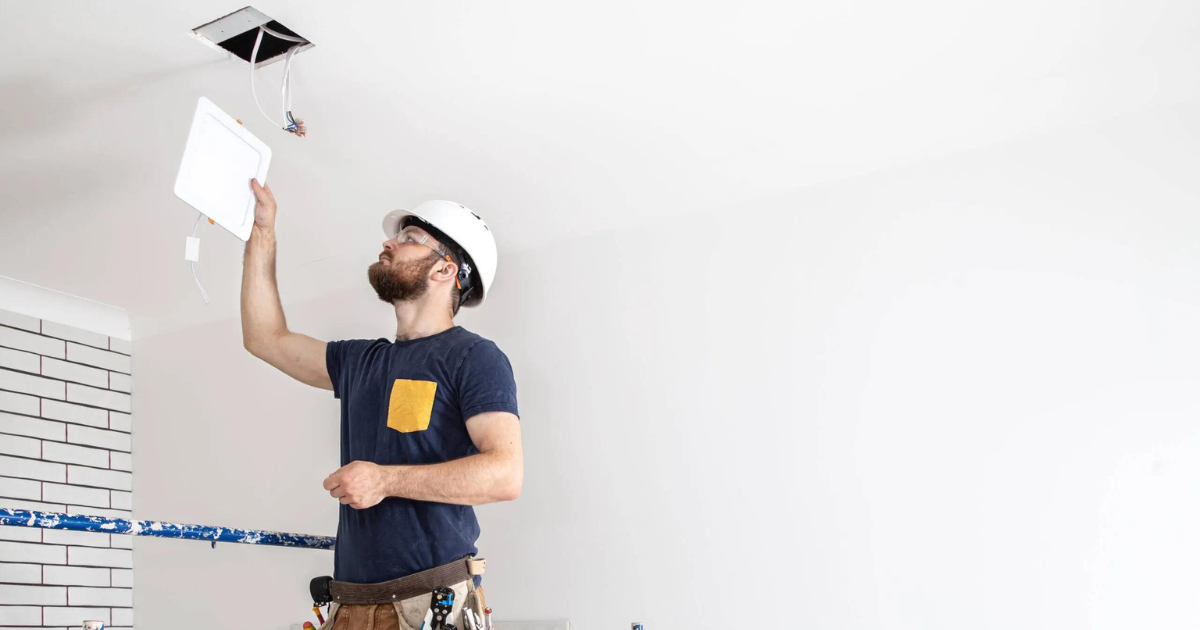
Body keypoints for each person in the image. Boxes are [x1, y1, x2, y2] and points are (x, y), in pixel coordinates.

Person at [241, 180, 522, 630]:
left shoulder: (474, 358)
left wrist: (386, 479)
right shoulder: (359, 361)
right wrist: (261, 234)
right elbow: (265, 338)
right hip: (350, 605)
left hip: (429, 604)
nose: (389, 243)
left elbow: (505, 475)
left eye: (410, 238)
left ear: (445, 271)